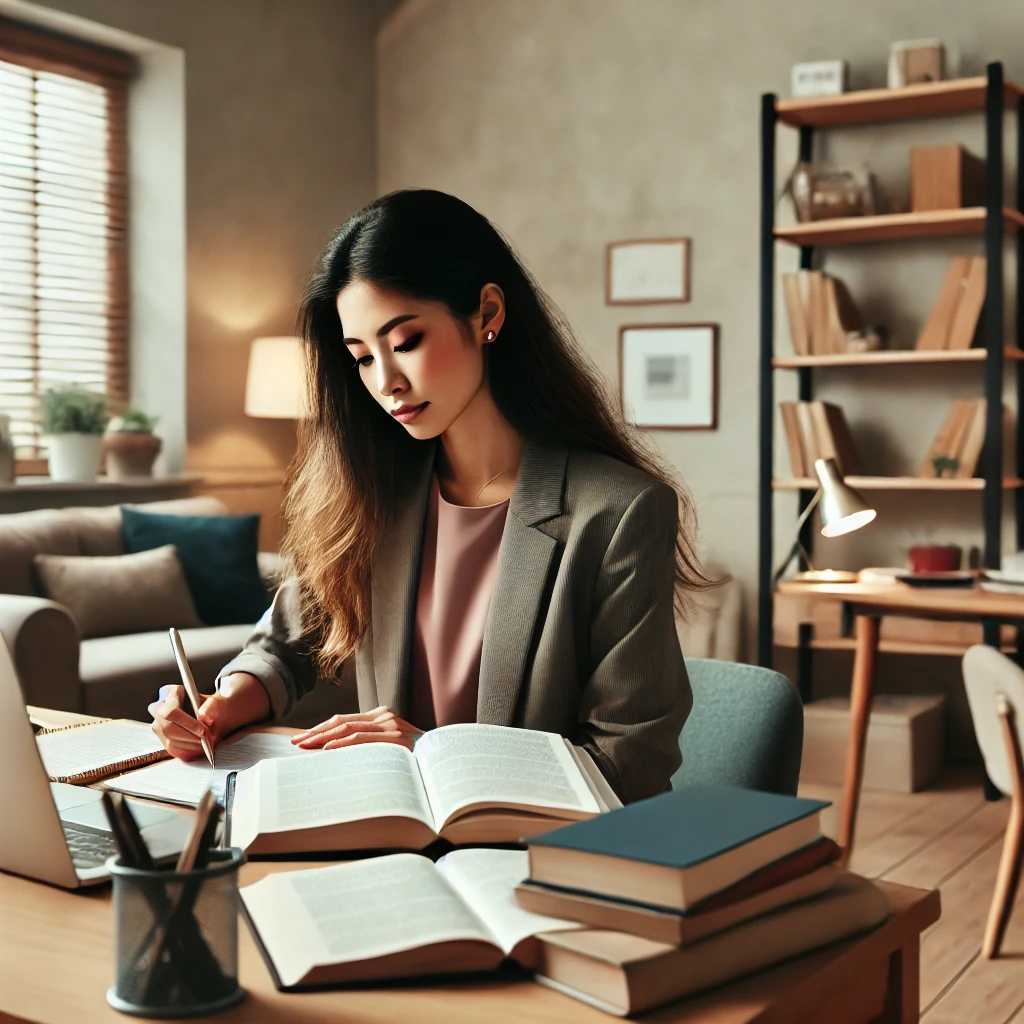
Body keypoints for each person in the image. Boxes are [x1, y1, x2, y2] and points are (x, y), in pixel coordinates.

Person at [149, 189, 711, 803]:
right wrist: (223, 704)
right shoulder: (369, 494)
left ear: (487, 313)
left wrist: (428, 749)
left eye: (406, 341)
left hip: (534, 852)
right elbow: (288, 641)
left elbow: (631, 758)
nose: (386, 381)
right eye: (362, 358)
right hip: (393, 834)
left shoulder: (619, 511)